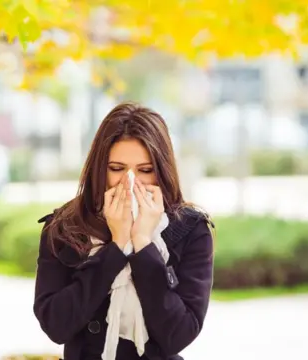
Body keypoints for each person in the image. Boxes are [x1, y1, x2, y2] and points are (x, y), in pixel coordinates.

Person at [33, 102, 215, 360]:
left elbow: (179, 334)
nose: (130, 181)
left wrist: (142, 243)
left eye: (145, 170)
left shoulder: (189, 230)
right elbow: (56, 326)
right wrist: (116, 247)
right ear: (100, 169)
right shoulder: (65, 227)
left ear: (161, 171)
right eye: (117, 169)